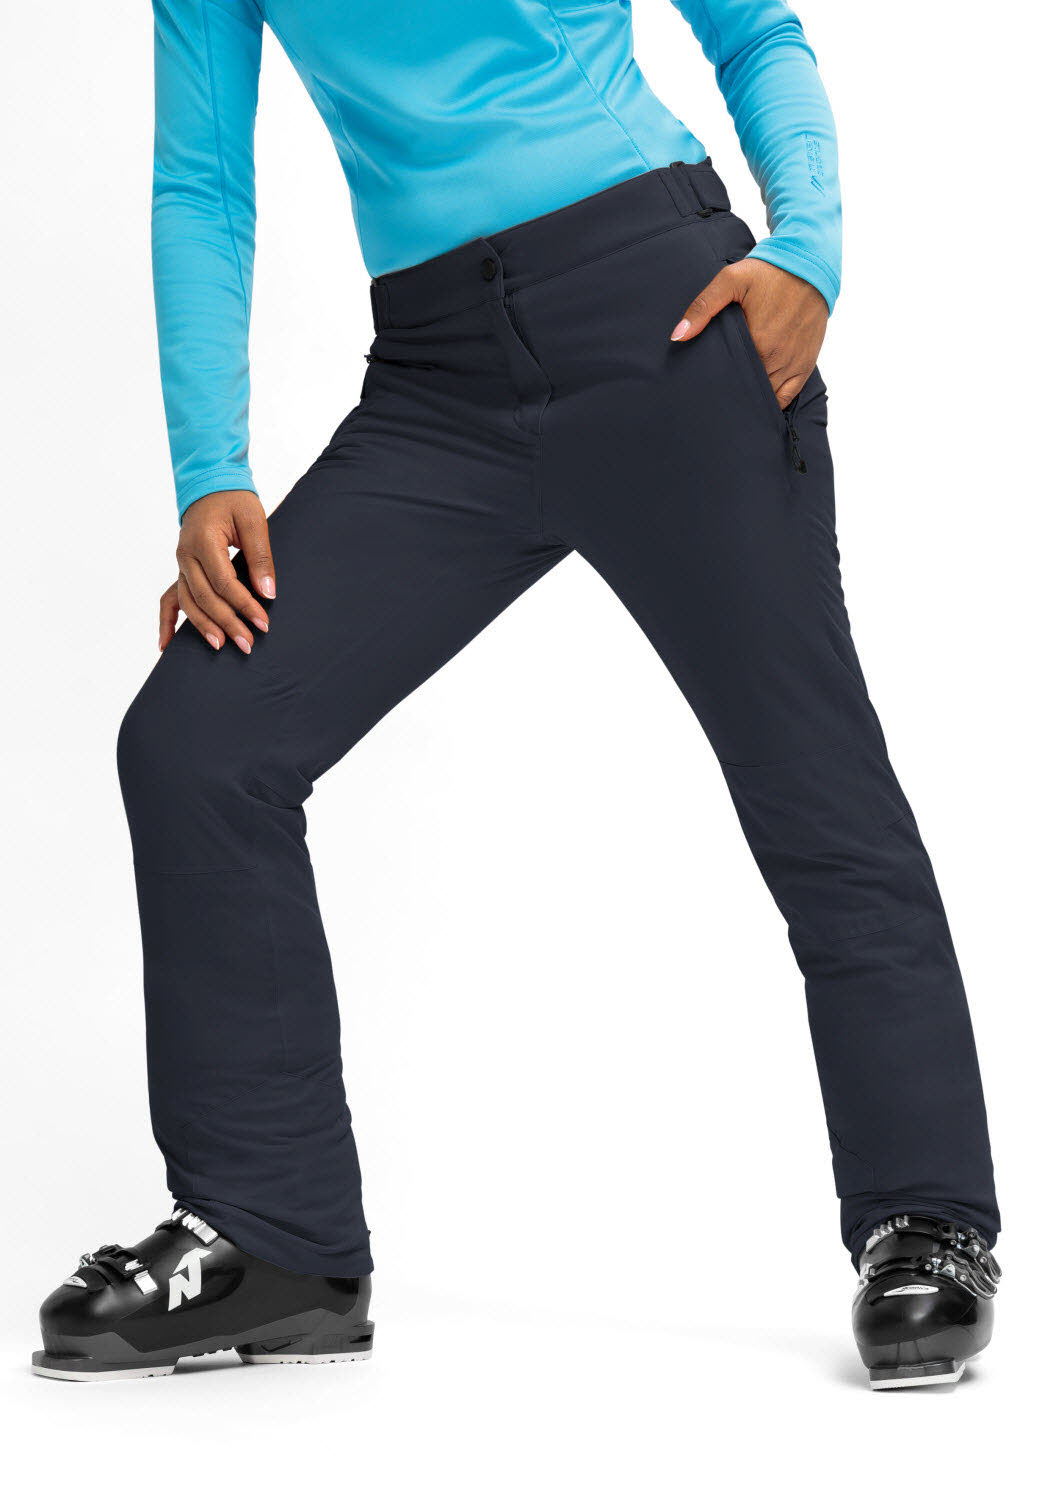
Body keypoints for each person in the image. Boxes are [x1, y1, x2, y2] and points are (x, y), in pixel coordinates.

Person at [32, 0, 1001, 1388]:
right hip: (437, 383)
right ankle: (276, 1238)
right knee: (199, 739)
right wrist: (210, 468)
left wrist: (808, 251)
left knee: (810, 779)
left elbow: (754, 31)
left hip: (665, 324)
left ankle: (928, 1219)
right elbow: (202, 180)